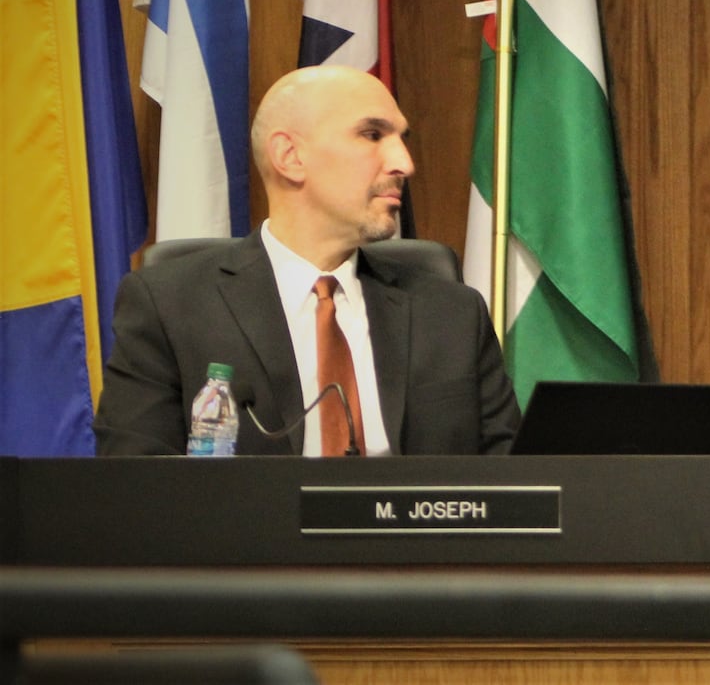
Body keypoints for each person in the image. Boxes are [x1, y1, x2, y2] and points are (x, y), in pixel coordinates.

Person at [95, 66, 521, 455]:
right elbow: (137, 492)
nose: (404, 163)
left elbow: (518, 486)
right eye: (373, 135)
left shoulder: (452, 314)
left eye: (401, 140)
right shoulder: (169, 306)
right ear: (291, 157)